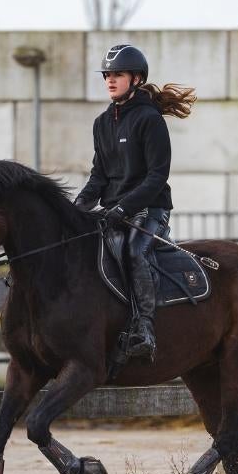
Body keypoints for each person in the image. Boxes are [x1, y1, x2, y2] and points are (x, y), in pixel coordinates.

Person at [74, 44, 197, 362]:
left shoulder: (149, 120)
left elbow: (157, 176)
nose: (111, 81)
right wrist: (77, 206)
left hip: (150, 209)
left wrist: (123, 208)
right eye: (107, 75)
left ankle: (144, 329)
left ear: (137, 78)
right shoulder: (102, 124)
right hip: (114, 212)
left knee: (133, 251)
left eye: (118, 75)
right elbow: (99, 175)